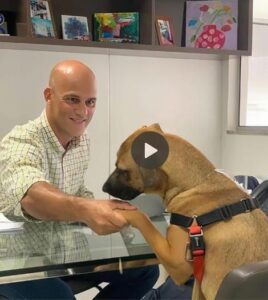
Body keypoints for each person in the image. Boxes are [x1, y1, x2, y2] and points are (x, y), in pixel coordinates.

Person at [0, 60, 159, 299]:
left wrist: (114, 214)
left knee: (146, 270)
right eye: (72, 99)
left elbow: (77, 193)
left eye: (90, 102)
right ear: (48, 95)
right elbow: (31, 196)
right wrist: (87, 209)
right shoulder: (21, 141)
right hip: (18, 264)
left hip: (64, 254)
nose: (83, 112)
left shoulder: (81, 141)